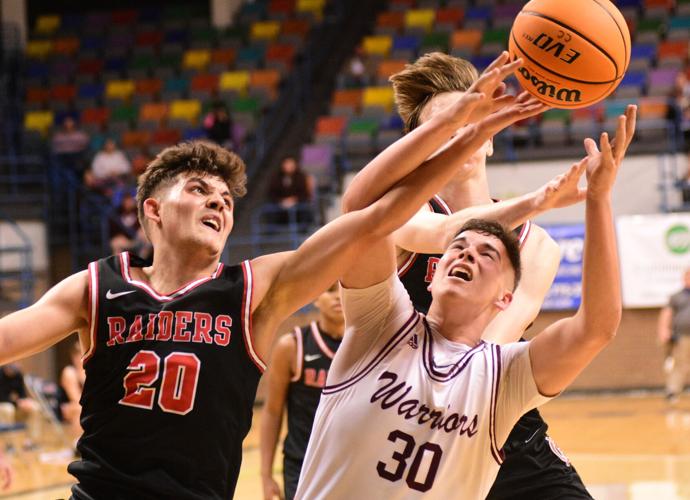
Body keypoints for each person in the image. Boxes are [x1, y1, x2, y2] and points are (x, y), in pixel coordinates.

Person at [0, 53, 542, 498]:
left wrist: (464, 133)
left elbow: (371, 218)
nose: (217, 203)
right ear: (152, 211)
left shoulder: (255, 289)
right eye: (197, 191)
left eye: (225, 199)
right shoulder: (97, 286)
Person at [295, 105, 636, 498]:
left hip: (485, 411)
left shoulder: (501, 371)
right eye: (457, 247)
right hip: (403, 375)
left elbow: (595, 328)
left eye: (487, 255)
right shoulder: (382, 317)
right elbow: (364, 209)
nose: (466, 254)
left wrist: (598, 198)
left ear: (503, 296)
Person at [260, 284, 344, 500]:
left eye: (343, 290)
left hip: (347, 464)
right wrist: (266, 474)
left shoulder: (367, 347)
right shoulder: (292, 346)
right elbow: (272, 412)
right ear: (316, 298)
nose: (337, 298)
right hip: (302, 465)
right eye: (330, 291)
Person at [657, 268, 690, 404]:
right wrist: (663, 330)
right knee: (681, 364)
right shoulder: (676, 296)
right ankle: (672, 392)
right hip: (683, 336)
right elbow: (666, 314)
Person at [0, 364, 41, 449]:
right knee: (8, 409)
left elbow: (22, 394)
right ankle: (9, 444)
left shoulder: (18, 374)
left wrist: (25, 401)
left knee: (34, 407)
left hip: (14, 405)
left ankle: (30, 442)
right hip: (4, 407)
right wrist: (17, 402)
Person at [266, 156, 315, 226]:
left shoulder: (302, 177)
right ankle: (272, 232)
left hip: (299, 203)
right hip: (280, 204)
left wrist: (294, 199)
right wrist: (282, 201)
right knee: (270, 209)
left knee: (306, 209)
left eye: (291, 164)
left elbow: (305, 193)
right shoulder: (276, 178)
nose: (289, 166)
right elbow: (272, 193)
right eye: (287, 164)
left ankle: (303, 229)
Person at [59, 339, 85, 439]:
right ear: (73, 357)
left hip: (80, 405)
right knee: (81, 409)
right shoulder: (69, 372)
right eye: (78, 355)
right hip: (66, 407)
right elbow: (76, 399)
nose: (81, 358)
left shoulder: (88, 371)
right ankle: (79, 445)